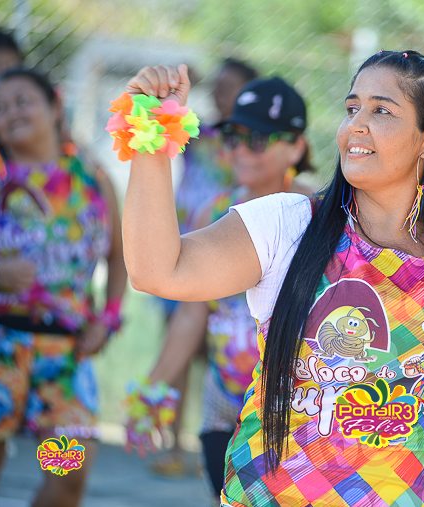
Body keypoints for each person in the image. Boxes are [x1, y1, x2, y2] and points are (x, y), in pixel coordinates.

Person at [120, 50, 424, 506]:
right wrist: (152, 135)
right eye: (352, 107)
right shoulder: (289, 224)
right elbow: (159, 271)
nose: (356, 124)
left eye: (382, 111)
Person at [125, 75, 314, 498]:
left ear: (296, 147)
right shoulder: (217, 211)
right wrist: (153, 389)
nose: (241, 151)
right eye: (233, 137)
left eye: (258, 139)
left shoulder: (317, 216)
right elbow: (192, 312)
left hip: (292, 410)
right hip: (224, 400)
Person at [0, 68, 126, 507]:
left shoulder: (92, 179)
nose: (11, 113)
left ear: (55, 105)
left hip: (65, 358)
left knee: (68, 473)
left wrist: (108, 319)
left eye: (23, 101)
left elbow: (119, 257)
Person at [150, 57, 259, 477]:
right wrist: (181, 88)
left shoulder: (250, 141)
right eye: (219, 86)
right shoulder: (205, 133)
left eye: (230, 87)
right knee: (179, 339)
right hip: (182, 248)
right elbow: (172, 131)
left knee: (216, 349)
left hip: (229, 246)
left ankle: (221, 435)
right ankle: (173, 443)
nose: (220, 93)